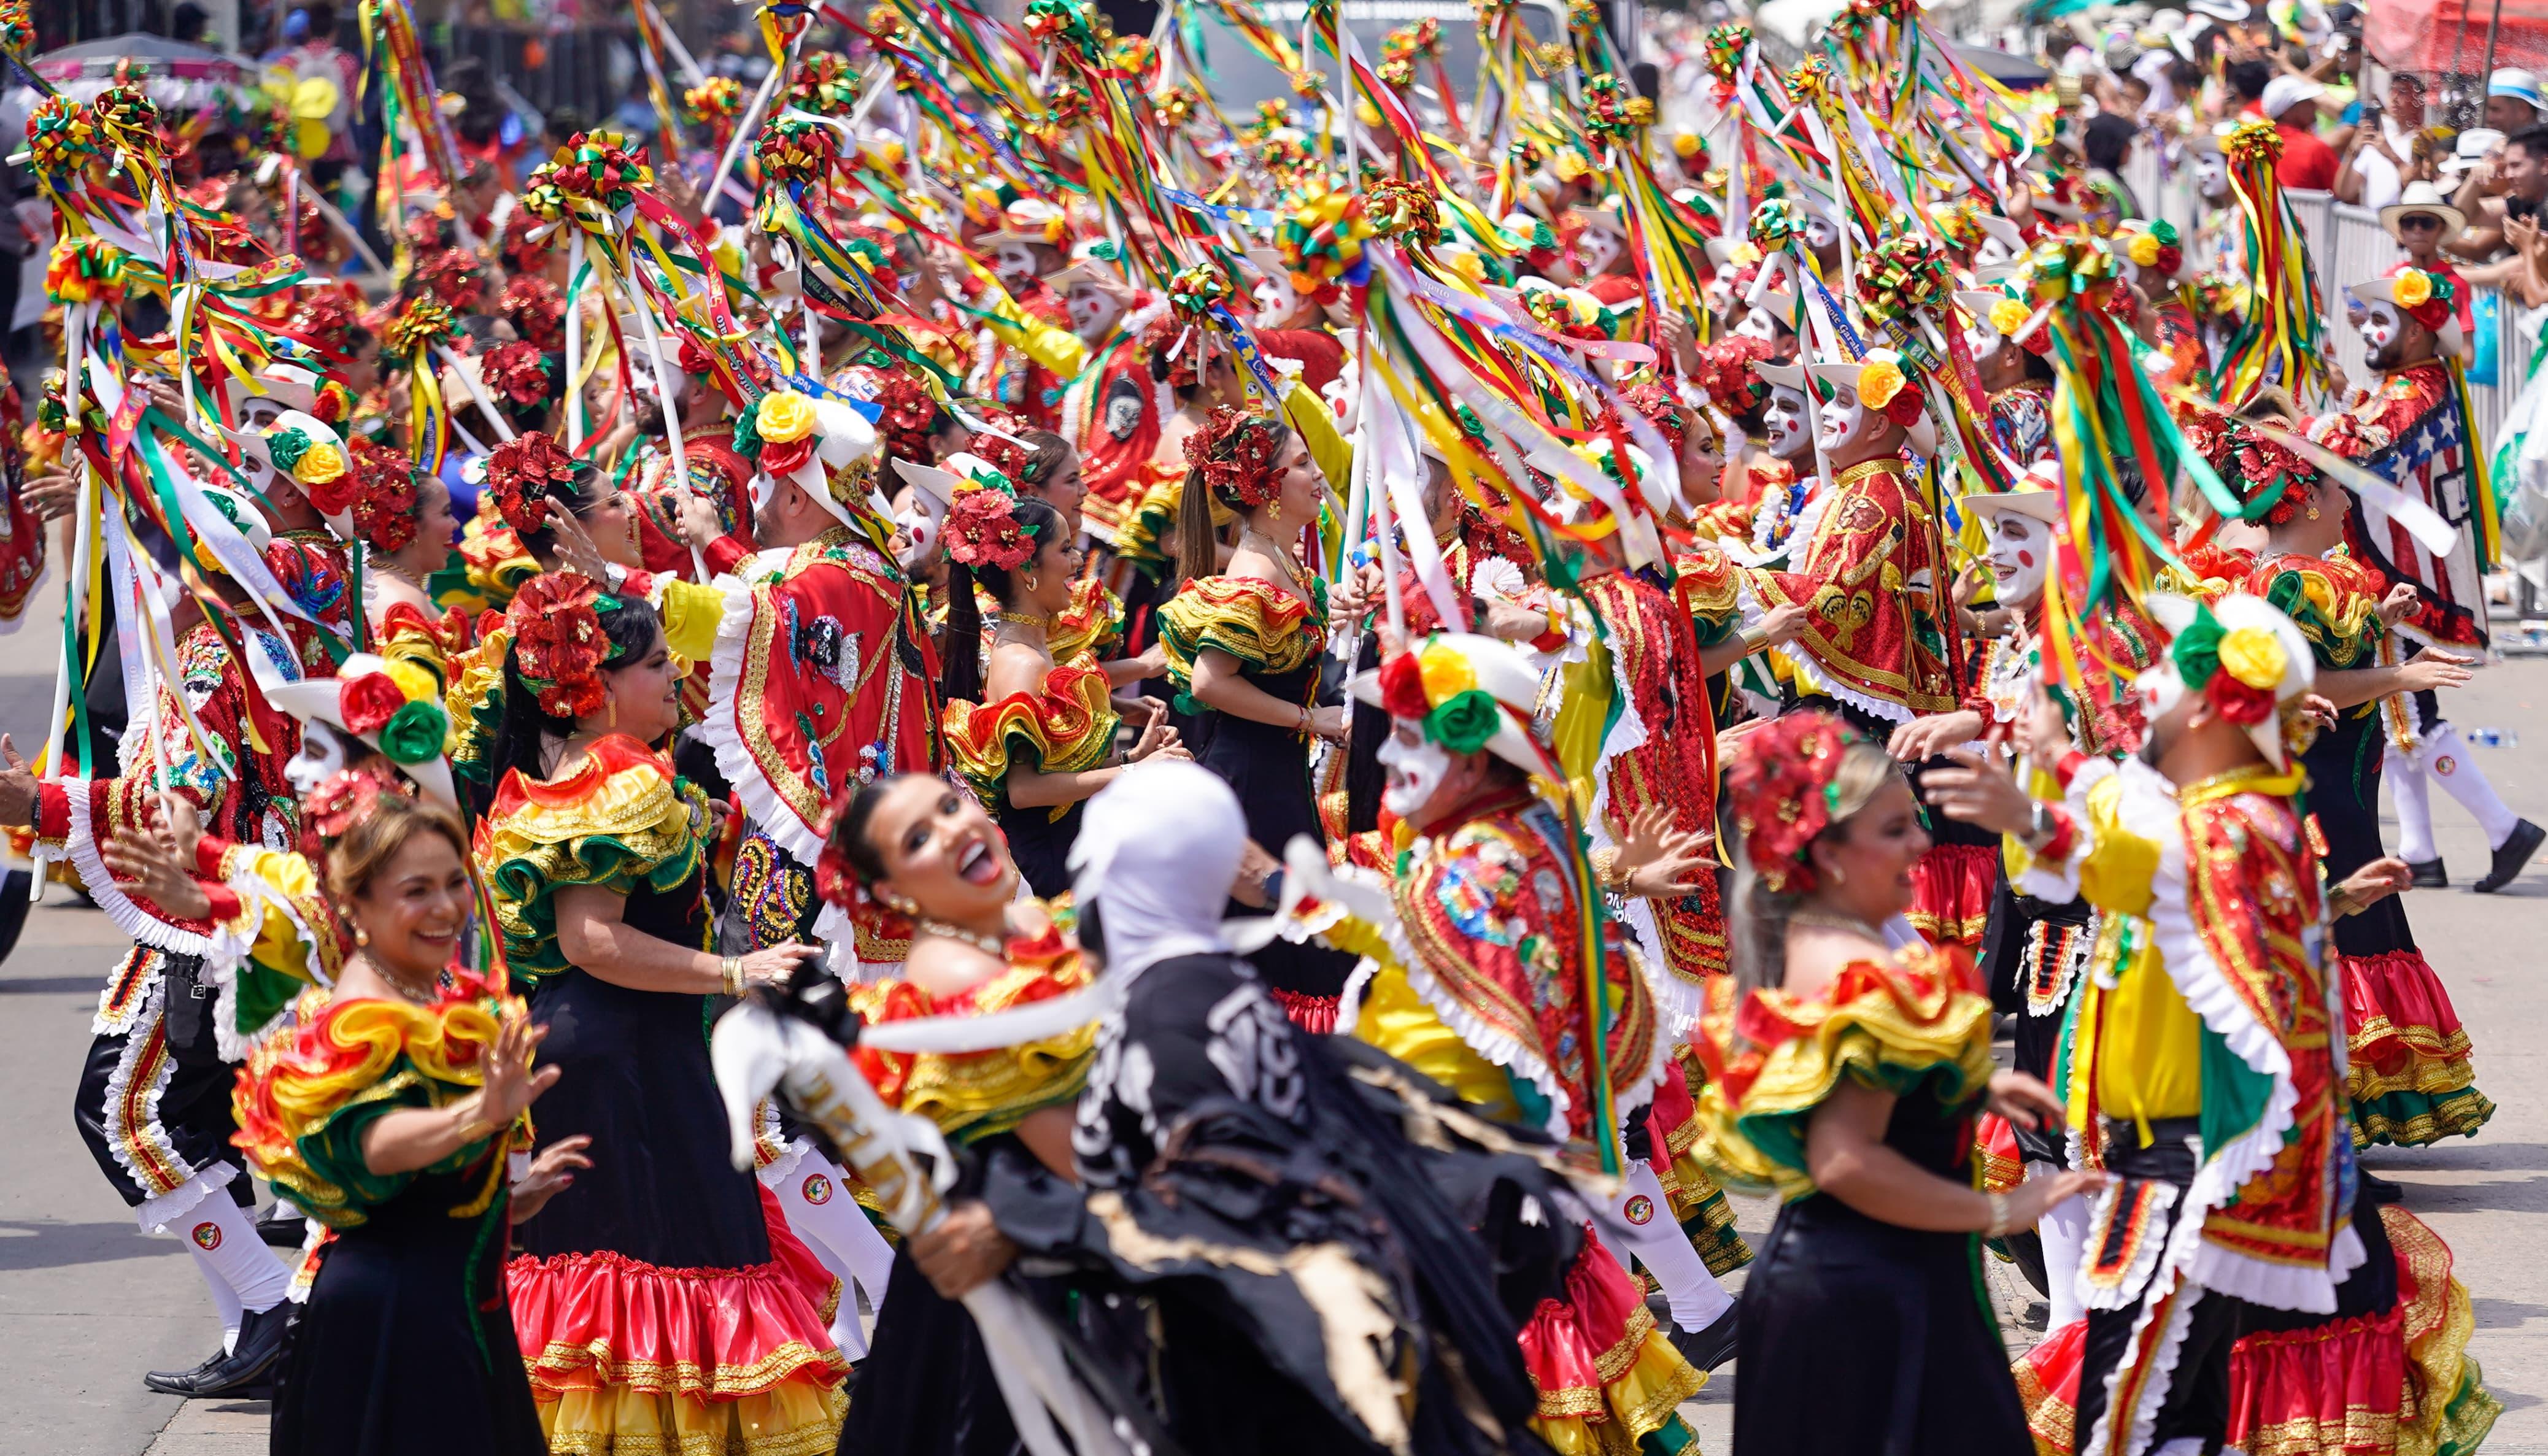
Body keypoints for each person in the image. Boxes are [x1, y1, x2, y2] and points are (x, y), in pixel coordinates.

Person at [1942, 595, 2360, 1454]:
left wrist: (2035, 806)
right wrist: (2050, 767)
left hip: (2192, 1167)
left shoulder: (2231, 827)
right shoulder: (2216, 814)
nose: (2145, 681)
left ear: (2211, 705)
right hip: (2171, 1159)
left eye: (2168, 671)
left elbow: (2142, 860)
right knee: (2175, 1415)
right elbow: (2099, 859)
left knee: (2122, 1416)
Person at [475, 572, 849, 1450]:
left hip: (600, 1046)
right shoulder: (619, 778)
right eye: (652, 664)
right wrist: (733, 969)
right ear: (596, 687)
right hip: (630, 1056)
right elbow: (592, 940)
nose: (675, 673)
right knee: (670, 1269)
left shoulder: (560, 773)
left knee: (607, 1284)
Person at [1689, 711, 2095, 1455]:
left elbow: (1855, 1094)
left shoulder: (1806, 935)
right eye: (1894, 830)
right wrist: (2002, 1209)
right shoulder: (1857, 972)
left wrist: (1969, 1090)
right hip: (1869, 1298)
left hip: (1859, 1282)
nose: (1923, 844)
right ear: (1830, 850)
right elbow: (1844, 1161)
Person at [812, 772, 1100, 1456]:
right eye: (918, 839)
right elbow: (1081, 1159)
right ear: (892, 894)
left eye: (950, 805)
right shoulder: (957, 976)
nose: (954, 828)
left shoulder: (1027, 919)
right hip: (1031, 1281)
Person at [1156, 407, 1357, 1028]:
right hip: (1251, 787)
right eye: (1303, 465)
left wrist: (1339, 610)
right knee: (1288, 954)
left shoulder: (1283, 560)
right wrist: (1312, 720)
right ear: (1267, 488)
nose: (1318, 476)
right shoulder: (1255, 571)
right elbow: (1211, 681)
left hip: (1277, 780)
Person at [935, 470, 1186, 896]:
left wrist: (1131, 756)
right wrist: (1131, 771)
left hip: (1062, 842)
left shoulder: (1033, 646)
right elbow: (1024, 790)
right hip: (1044, 862)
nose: (1076, 562)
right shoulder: (1021, 661)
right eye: (1066, 549)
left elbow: (1053, 775)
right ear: (1027, 570)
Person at [2263, 75, 2340, 191]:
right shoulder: (2315, 149)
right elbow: (2348, 194)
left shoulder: (2257, 146)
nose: (2314, 105)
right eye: (2306, 101)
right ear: (2288, 111)